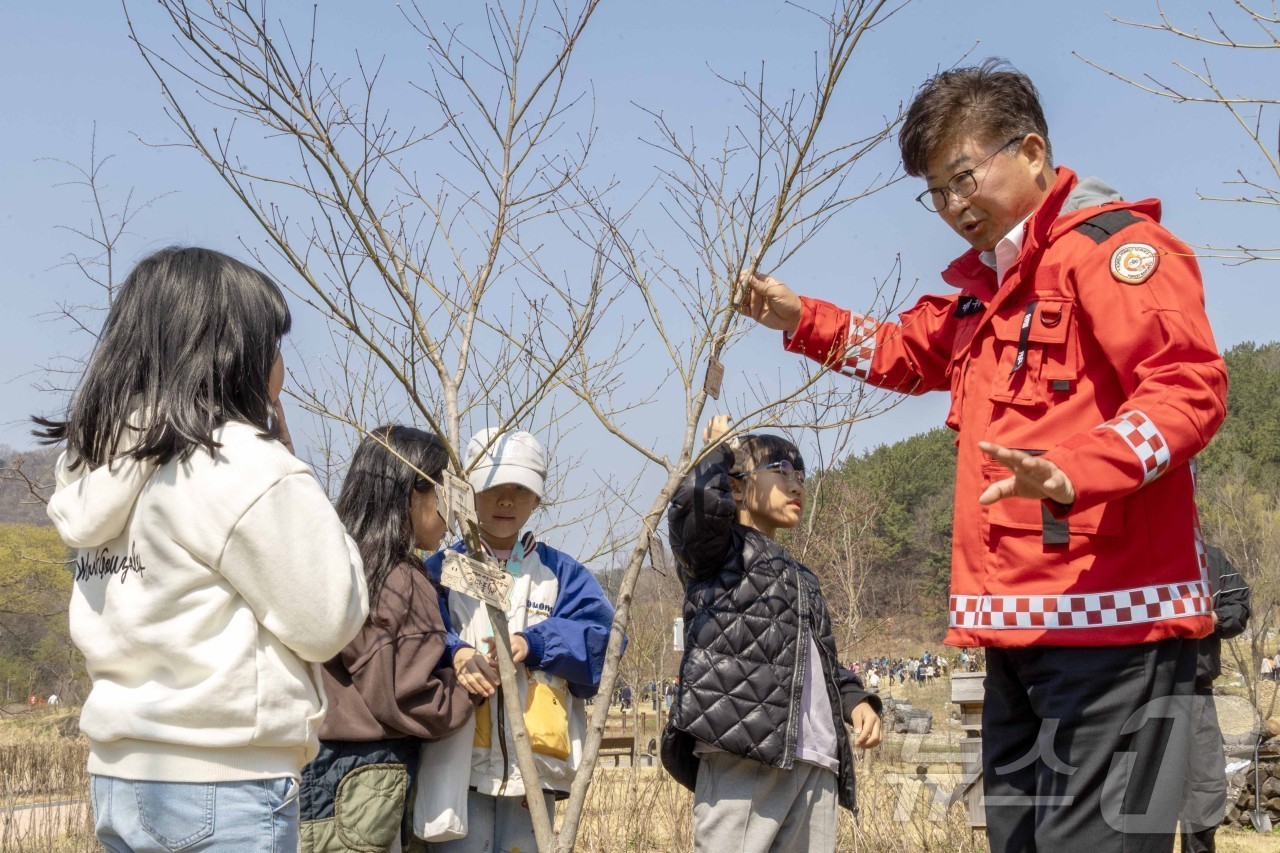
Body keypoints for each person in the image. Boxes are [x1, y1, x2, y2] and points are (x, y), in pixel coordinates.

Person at [737, 60, 1227, 851]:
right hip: (1014, 636)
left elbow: (1188, 387)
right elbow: (903, 352)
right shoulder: (984, 292)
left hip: (1112, 631)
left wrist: (1083, 468)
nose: (954, 205)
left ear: (1032, 151)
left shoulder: (1111, 253)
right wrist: (804, 318)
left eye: (964, 176)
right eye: (937, 191)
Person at [38, 246, 369, 851]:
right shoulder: (238, 462)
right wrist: (290, 464)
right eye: (274, 346)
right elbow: (328, 619)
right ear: (234, 353)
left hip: (120, 773)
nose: (281, 369)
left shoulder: (99, 463)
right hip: (224, 781)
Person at [662, 415, 883, 853]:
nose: (797, 484)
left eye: (801, 475)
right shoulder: (719, 553)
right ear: (739, 485)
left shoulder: (804, 578)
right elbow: (697, 507)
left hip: (816, 757)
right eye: (781, 471)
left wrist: (856, 700)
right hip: (743, 748)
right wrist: (716, 453)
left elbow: (818, 659)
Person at [427, 428, 614, 853]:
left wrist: (536, 644)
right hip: (460, 767)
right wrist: (458, 653)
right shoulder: (442, 569)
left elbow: (603, 640)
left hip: (535, 769)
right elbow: (421, 632)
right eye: (494, 488)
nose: (506, 500)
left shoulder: (562, 573)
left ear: (538, 497)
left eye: (520, 489)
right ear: (469, 492)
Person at [299, 426, 476, 852]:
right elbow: (408, 698)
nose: (451, 512)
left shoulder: (334, 560)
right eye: (445, 492)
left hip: (310, 763)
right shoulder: (404, 580)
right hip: (369, 778)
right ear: (413, 493)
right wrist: (470, 688)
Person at [1178, 544, 1250, 853]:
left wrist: (1214, 618)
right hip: (1134, 690)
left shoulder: (1211, 557)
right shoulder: (1134, 548)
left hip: (1196, 690)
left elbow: (1239, 605)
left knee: (1205, 791)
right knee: (1134, 794)